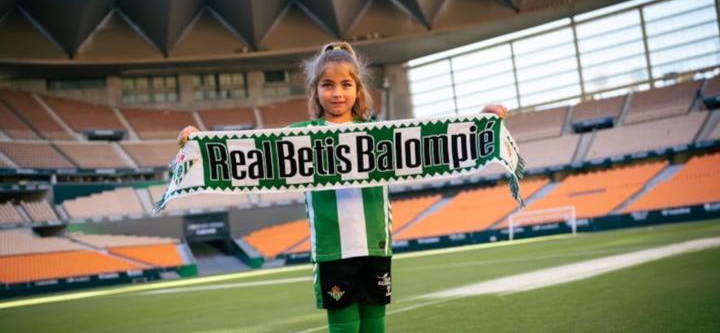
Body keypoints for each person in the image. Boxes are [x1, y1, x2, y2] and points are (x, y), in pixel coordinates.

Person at [177, 41, 507, 332]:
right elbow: (251, 153)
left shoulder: (380, 134)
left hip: (376, 244)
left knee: (375, 323)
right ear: (315, 91)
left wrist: (479, 122)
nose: (337, 93)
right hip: (332, 248)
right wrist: (199, 143)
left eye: (346, 84)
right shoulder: (301, 136)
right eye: (328, 85)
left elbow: (434, 143)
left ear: (358, 90)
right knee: (343, 325)